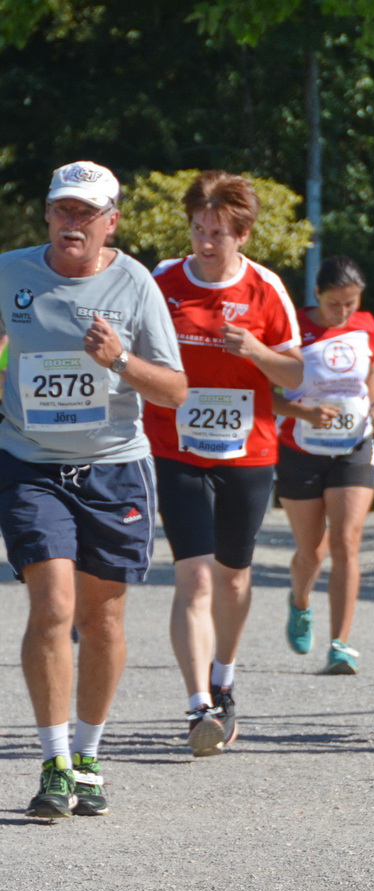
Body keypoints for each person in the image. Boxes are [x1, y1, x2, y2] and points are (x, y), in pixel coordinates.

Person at [0, 161, 186, 818]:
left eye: (86, 212)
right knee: (53, 605)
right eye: (62, 209)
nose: (71, 222)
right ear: (47, 214)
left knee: (102, 619)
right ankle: (54, 761)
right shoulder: (9, 272)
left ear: (112, 222)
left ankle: (87, 755)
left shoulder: (136, 284)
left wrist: (120, 361)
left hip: (113, 469)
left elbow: (175, 390)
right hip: (31, 464)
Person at [146, 171, 302, 755]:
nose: (205, 242)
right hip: (175, 447)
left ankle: (224, 679)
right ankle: (198, 706)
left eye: (218, 233)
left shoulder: (266, 287)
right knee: (194, 575)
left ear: (243, 235)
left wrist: (258, 352)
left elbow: (296, 373)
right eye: (197, 229)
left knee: (234, 576)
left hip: (247, 449)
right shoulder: (162, 281)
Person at [276, 255, 374, 674]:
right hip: (299, 448)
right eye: (334, 304)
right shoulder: (290, 326)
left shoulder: (366, 324)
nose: (343, 312)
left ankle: (341, 645)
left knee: (346, 540)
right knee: (312, 552)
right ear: (316, 294)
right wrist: (303, 413)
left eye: (350, 303)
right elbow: (263, 392)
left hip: (353, 445)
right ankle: (300, 601)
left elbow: (371, 372)